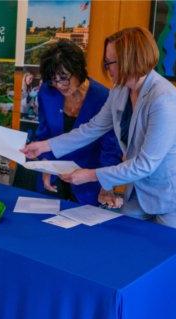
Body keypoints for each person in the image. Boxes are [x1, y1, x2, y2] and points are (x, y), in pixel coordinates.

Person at [22, 27, 176, 233]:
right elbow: (92, 129)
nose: (106, 68)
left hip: (174, 194)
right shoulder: (120, 91)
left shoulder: (164, 100)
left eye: (110, 62)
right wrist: (44, 146)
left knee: (171, 257)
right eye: (106, 61)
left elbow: (144, 165)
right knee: (126, 249)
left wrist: (88, 175)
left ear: (131, 58)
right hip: (141, 191)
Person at [32, 40, 122, 206]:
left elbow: (110, 149)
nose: (59, 85)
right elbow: (44, 133)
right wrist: (45, 164)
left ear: (78, 70)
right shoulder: (47, 91)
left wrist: (106, 185)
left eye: (64, 78)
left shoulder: (103, 98)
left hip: (86, 185)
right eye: (53, 79)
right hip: (52, 179)